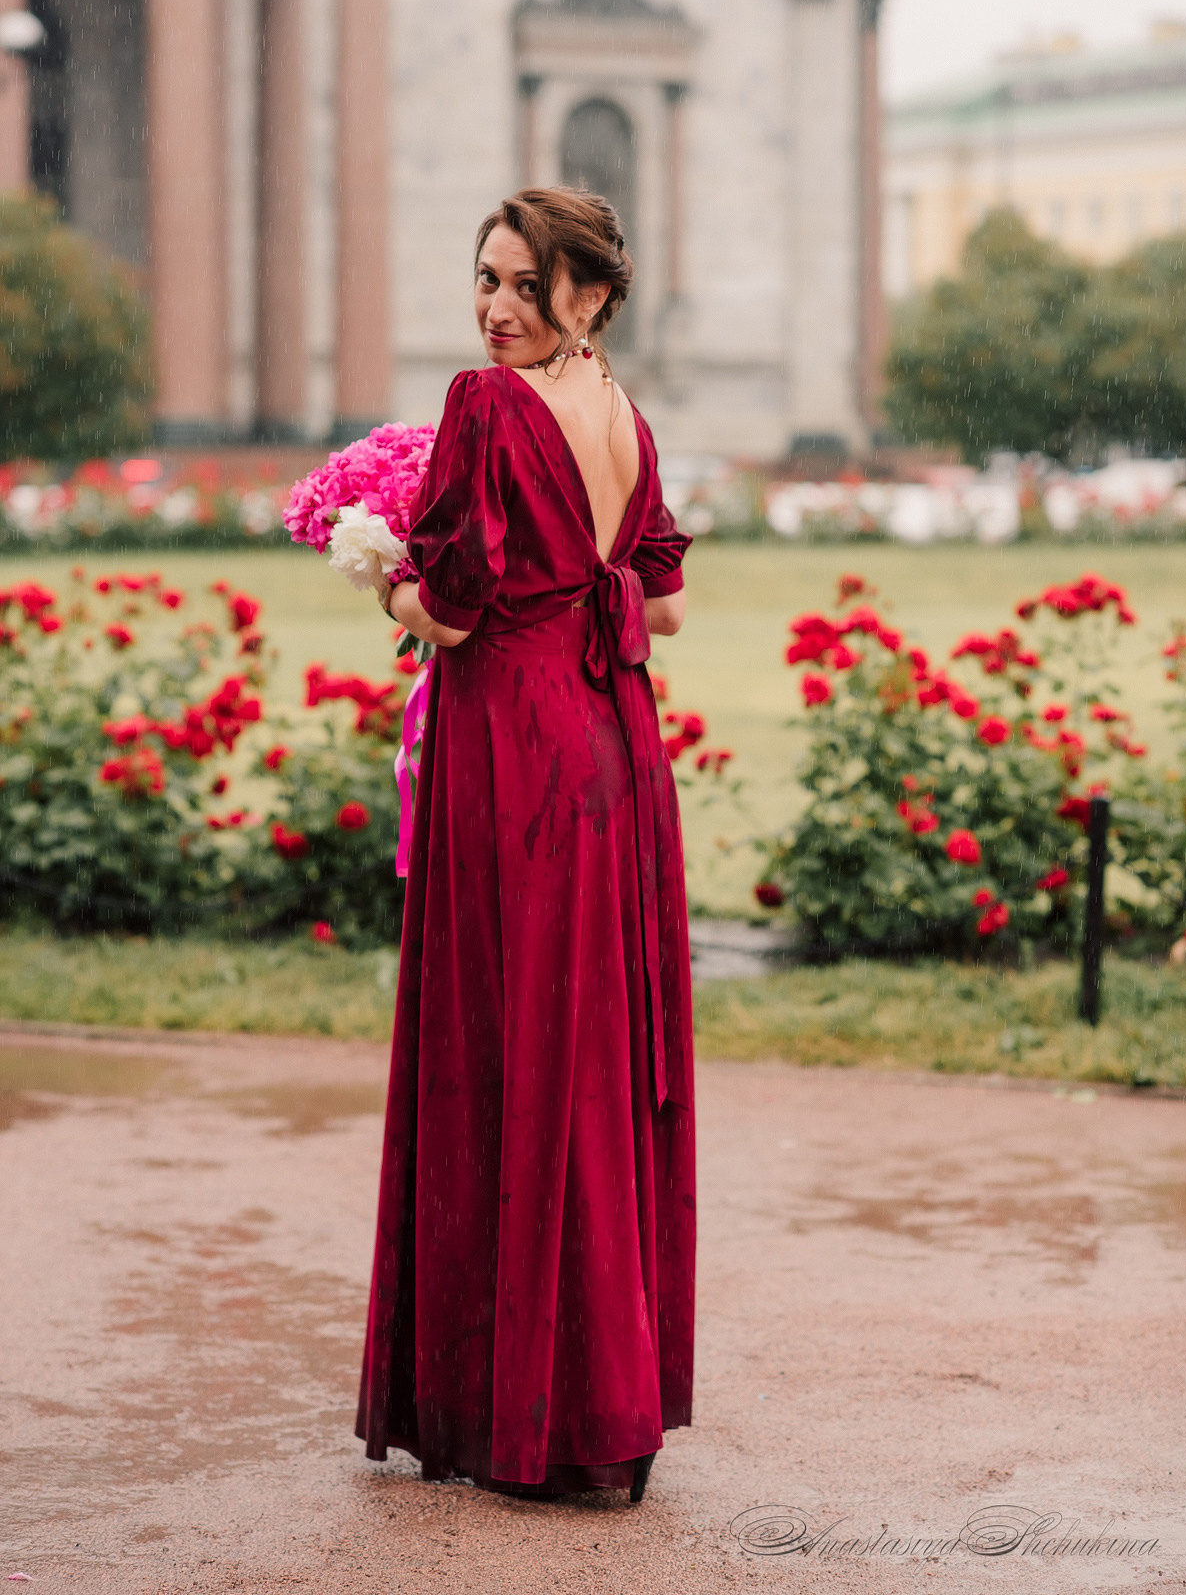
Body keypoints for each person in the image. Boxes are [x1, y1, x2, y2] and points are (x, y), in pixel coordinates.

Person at [355, 187, 695, 1504]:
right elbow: (657, 607)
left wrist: (368, 563)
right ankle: (597, 1408)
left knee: (509, 1064)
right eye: (484, 279)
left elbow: (445, 610)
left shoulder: (487, 407)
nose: (495, 307)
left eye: (524, 284)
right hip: (615, 753)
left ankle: (527, 1412)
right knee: (592, 1070)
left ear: (592, 296)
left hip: (519, 756)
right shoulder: (625, 415)